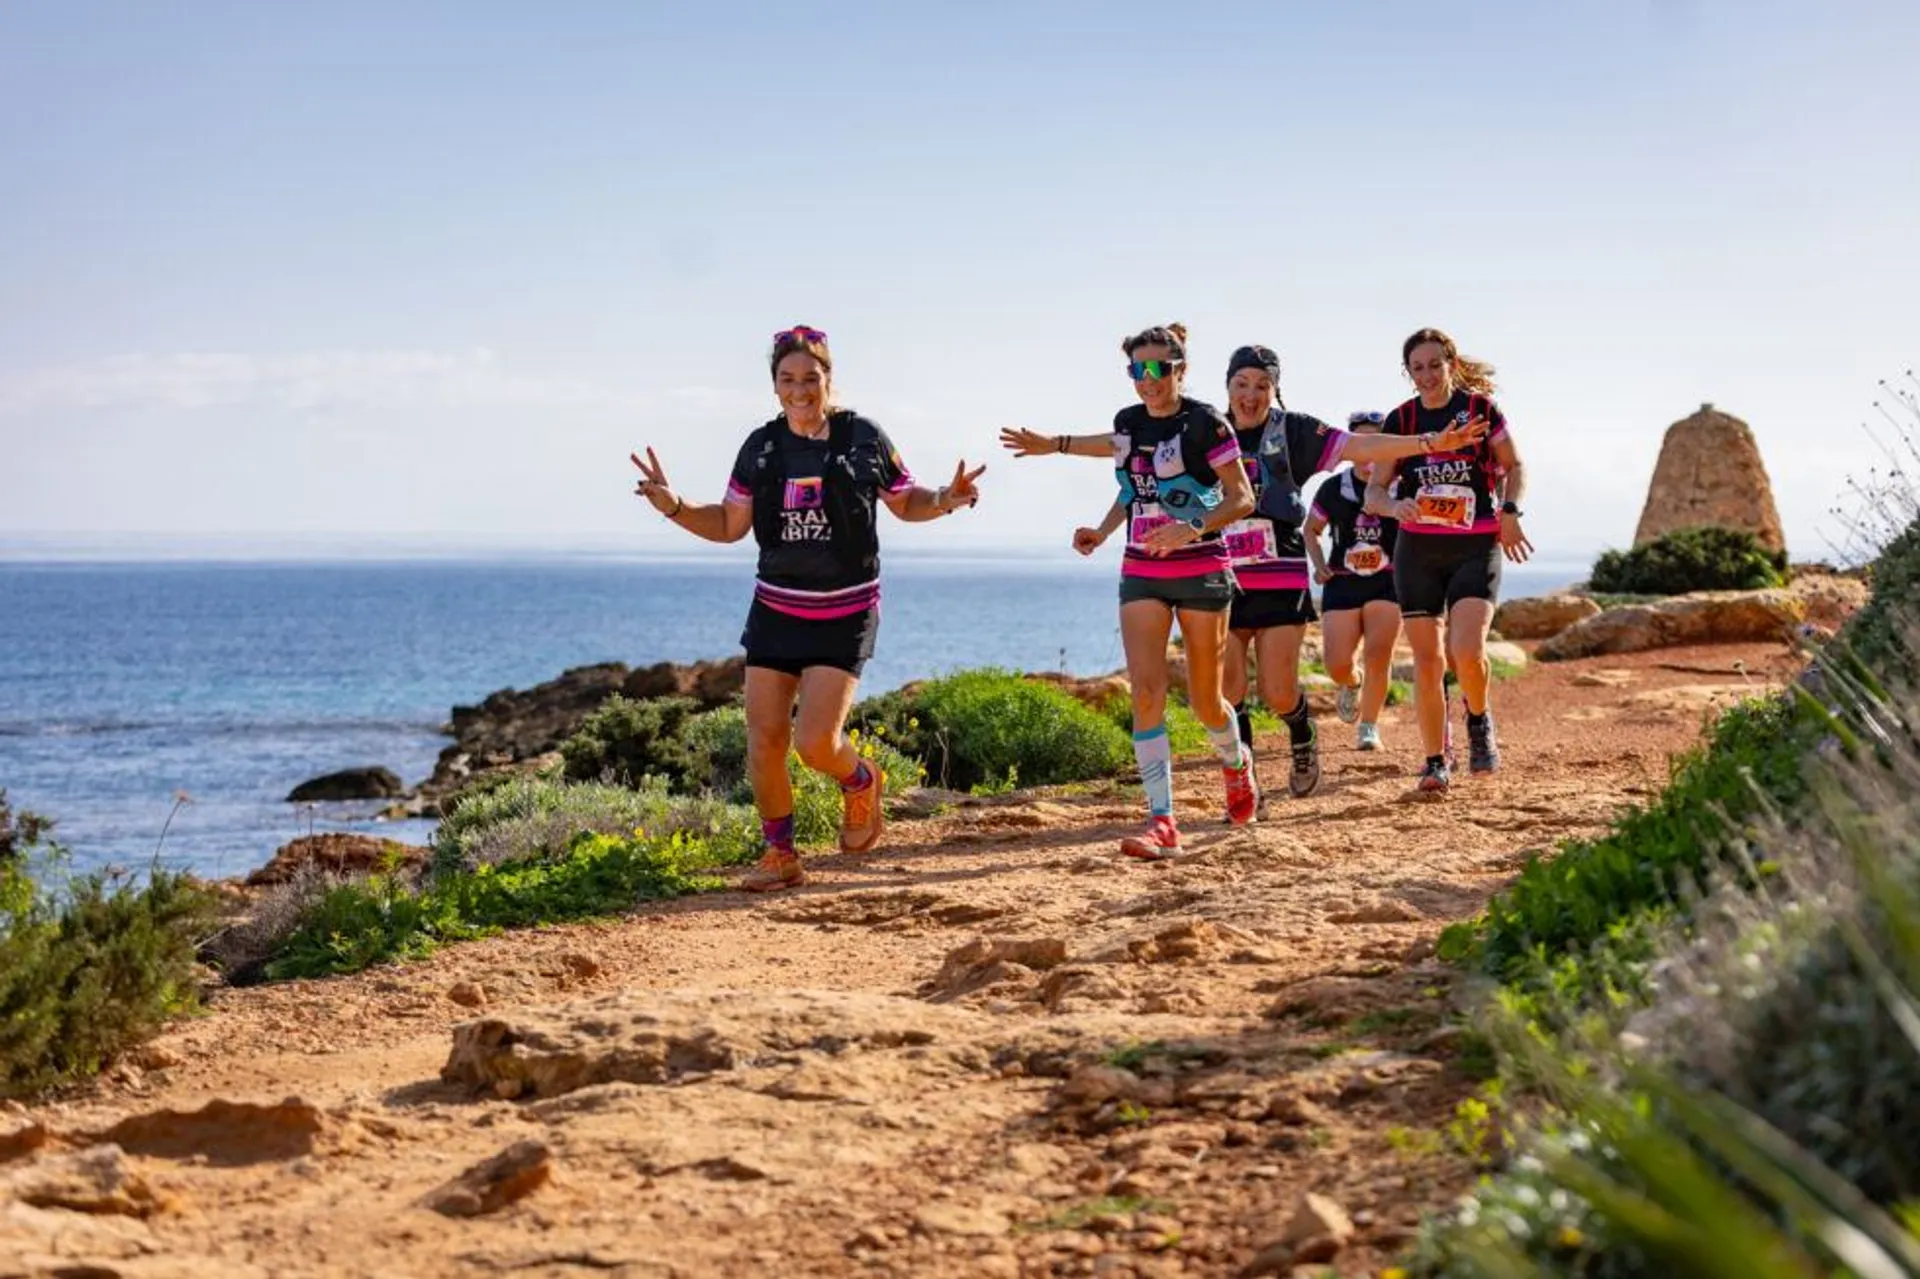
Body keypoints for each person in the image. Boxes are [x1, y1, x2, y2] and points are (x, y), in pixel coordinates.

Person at [1002, 344, 1487, 815]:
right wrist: (1086, 493)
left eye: (1261, 385)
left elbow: (1360, 445)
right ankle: (1247, 782)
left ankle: (1301, 732)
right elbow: (1134, 468)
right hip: (1221, 571)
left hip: (1280, 572)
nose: (1250, 394)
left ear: (1275, 390)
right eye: (1241, 384)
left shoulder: (1294, 432)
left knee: (1278, 690)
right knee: (1229, 691)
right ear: (1227, 386)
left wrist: (1427, 443)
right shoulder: (1205, 427)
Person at [631, 324, 986, 890]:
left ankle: (862, 779)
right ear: (774, 386)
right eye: (787, 379)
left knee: (815, 742)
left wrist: (946, 498)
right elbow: (727, 524)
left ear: (828, 379)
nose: (799, 390)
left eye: (810, 378)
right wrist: (673, 506)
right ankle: (780, 856)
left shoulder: (863, 436)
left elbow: (905, 502)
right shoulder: (761, 447)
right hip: (776, 607)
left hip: (846, 609)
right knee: (764, 739)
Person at [1061, 322, 1260, 859]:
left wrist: (1192, 527)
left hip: (1201, 569)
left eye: (1157, 369)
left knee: (1205, 702)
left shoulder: (1206, 423)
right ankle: (1163, 820)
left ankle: (1236, 764)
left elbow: (1241, 498)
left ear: (1180, 370)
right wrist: (1101, 533)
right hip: (1142, 569)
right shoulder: (1128, 422)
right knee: (1145, 693)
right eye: (1137, 370)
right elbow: (1132, 488)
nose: (1147, 380)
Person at [1365, 327, 1532, 794]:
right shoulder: (1402, 421)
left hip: (1475, 546)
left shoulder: (1480, 410)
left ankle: (1478, 719)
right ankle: (1436, 759)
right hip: (1417, 551)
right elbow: (1375, 490)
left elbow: (1514, 466)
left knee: (1467, 651)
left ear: (1451, 364)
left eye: (1435, 365)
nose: (1427, 375)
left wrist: (1511, 512)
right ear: (1408, 372)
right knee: (1426, 661)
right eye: (1417, 368)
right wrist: (1394, 506)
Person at [1305, 411, 1403, 752]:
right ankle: (1352, 682)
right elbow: (1311, 531)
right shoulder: (1334, 488)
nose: (1368, 455)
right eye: (1360, 445)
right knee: (1337, 665)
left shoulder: (1400, 483)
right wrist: (1318, 565)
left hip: (1388, 582)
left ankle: (1369, 726)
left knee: (1379, 654)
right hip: (1343, 582)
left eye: (1375, 444)